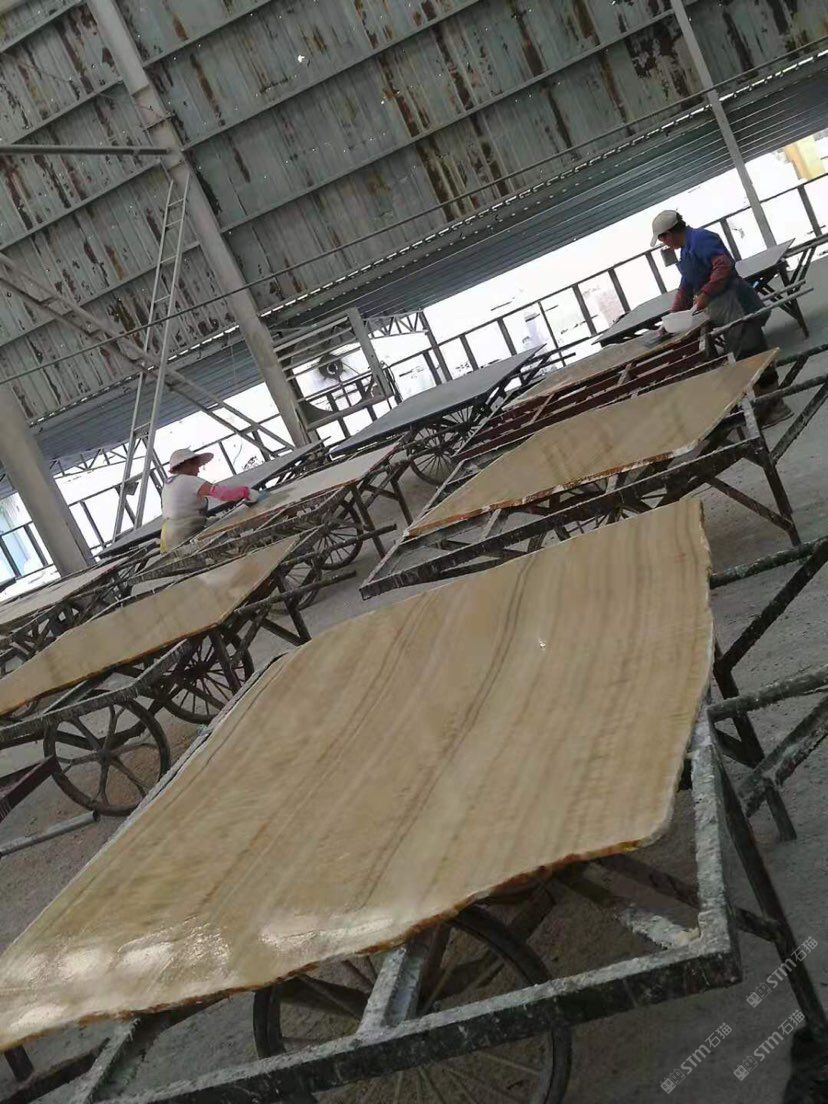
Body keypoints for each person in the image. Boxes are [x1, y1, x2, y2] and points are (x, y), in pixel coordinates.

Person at [651, 209, 790, 425]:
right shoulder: (686, 250)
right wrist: (671, 318)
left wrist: (705, 294)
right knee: (742, 359)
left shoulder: (701, 238)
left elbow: (723, 265)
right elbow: (686, 285)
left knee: (753, 355)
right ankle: (765, 406)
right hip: (724, 309)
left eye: (662, 240)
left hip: (735, 304)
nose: (664, 245)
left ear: (668, 234)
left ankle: (777, 408)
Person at [160, 447, 258, 551]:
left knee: (215, 522)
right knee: (227, 537)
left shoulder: (168, 484)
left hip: (168, 537)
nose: (198, 470)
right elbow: (223, 494)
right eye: (196, 465)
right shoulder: (188, 480)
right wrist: (245, 492)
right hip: (184, 533)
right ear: (187, 464)